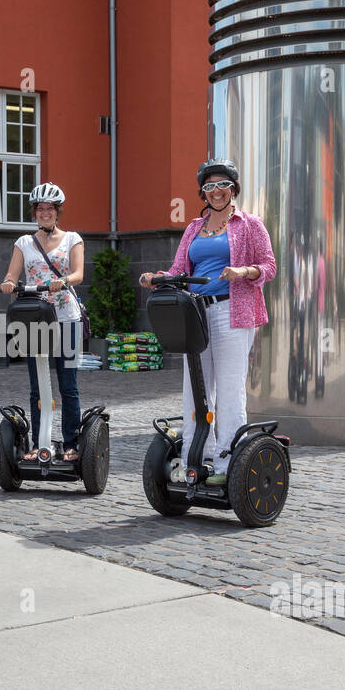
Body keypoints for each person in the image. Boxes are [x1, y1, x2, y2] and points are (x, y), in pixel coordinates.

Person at [140, 159, 277, 485]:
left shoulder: (250, 224)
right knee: (196, 390)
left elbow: (269, 266)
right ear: (203, 191)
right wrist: (157, 278)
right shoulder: (193, 228)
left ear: (233, 188)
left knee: (229, 390)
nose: (216, 192)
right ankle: (196, 458)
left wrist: (242, 272)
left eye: (222, 185)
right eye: (209, 187)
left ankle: (227, 465)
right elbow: (178, 270)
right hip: (197, 313)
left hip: (234, 312)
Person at [0, 182, 86, 461]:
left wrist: (63, 282)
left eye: (49, 208)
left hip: (67, 318)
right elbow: (11, 275)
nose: (45, 213)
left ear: (58, 211)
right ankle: (39, 442)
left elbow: (79, 274)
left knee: (67, 384)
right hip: (36, 318)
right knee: (38, 385)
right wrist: (8, 283)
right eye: (40, 209)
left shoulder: (73, 238)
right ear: (34, 212)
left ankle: (71, 443)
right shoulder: (24, 243)